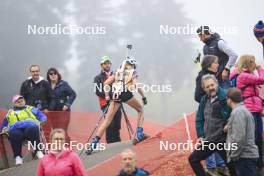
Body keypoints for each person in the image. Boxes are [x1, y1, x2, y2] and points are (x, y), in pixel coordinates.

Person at [87, 57, 147, 153]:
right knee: (140, 110)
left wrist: (107, 97)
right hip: (126, 94)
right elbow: (136, 85)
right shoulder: (133, 72)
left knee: (107, 120)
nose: (134, 67)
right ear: (131, 65)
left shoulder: (118, 72)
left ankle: (94, 143)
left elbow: (106, 83)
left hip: (116, 95)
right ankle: (139, 134)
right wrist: (143, 96)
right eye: (133, 65)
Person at [188, 74, 236, 176]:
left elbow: (236, 114)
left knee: (233, 167)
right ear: (204, 88)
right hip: (209, 140)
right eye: (207, 87)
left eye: (212, 85)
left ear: (216, 83)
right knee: (193, 159)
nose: (211, 88)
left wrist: (229, 126)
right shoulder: (204, 99)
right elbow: (199, 119)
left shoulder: (226, 97)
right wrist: (201, 135)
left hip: (223, 140)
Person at [229, 54, 264, 168]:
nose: (255, 64)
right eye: (252, 62)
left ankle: (259, 163)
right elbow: (262, 79)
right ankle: (254, 163)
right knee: (253, 137)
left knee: (258, 137)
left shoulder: (247, 74)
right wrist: (260, 69)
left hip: (255, 109)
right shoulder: (244, 76)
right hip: (250, 110)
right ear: (248, 63)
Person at [194, 55, 227, 175]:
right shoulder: (201, 77)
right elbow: (197, 96)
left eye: (212, 85)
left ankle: (221, 166)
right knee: (209, 139)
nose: (218, 64)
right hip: (208, 111)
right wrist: (207, 103)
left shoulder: (223, 94)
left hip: (222, 135)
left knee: (219, 143)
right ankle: (211, 167)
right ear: (209, 65)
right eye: (216, 62)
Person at [1, 95, 46, 165]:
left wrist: (42, 121)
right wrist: (4, 129)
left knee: (32, 128)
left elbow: (42, 116)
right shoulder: (9, 113)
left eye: (22, 101)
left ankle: (38, 151)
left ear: (24, 101)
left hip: (30, 127)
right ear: (13, 103)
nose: (20, 102)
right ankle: (18, 157)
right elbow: (3, 125)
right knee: (13, 133)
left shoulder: (31, 108)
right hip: (16, 130)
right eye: (18, 101)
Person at [224, 88, 259, 176]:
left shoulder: (238, 112)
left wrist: (234, 155)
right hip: (246, 156)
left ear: (229, 100)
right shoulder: (243, 110)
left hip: (244, 157)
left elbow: (239, 138)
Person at [94, 56, 122, 143]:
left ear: (110, 64)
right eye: (105, 63)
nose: (107, 65)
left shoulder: (116, 75)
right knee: (110, 123)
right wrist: (110, 96)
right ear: (101, 65)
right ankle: (110, 143)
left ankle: (117, 142)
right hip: (105, 103)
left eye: (108, 63)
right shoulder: (97, 78)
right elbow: (97, 91)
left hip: (117, 102)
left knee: (117, 123)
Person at [46, 68, 76, 142]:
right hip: (52, 113)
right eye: (51, 74)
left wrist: (67, 104)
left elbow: (73, 94)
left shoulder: (63, 84)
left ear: (57, 75)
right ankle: (60, 150)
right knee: (56, 132)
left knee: (62, 131)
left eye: (54, 73)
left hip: (63, 113)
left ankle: (68, 148)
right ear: (48, 76)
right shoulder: (46, 86)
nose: (53, 75)